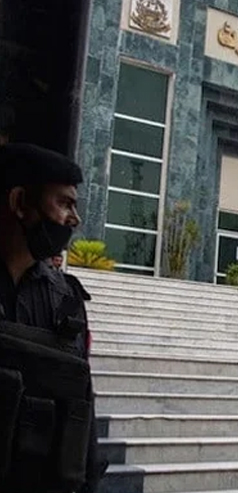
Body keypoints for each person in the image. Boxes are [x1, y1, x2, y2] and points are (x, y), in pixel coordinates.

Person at [0, 143, 104, 492]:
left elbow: (84, 409)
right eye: (64, 203)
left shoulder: (67, 299)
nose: (74, 219)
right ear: (20, 202)